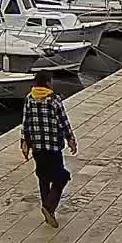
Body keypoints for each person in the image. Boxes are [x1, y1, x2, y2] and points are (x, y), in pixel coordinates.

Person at [20, 69, 77, 227]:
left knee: (43, 178)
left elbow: (25, 123)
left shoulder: (29, 99)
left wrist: (24, 143)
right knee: (61, 177)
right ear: (47, 83)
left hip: (37, 148)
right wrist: (71, 139)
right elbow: (63, 121)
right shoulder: (54, 100)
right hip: (53, 147)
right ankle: (49, 207)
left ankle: (48, 211)